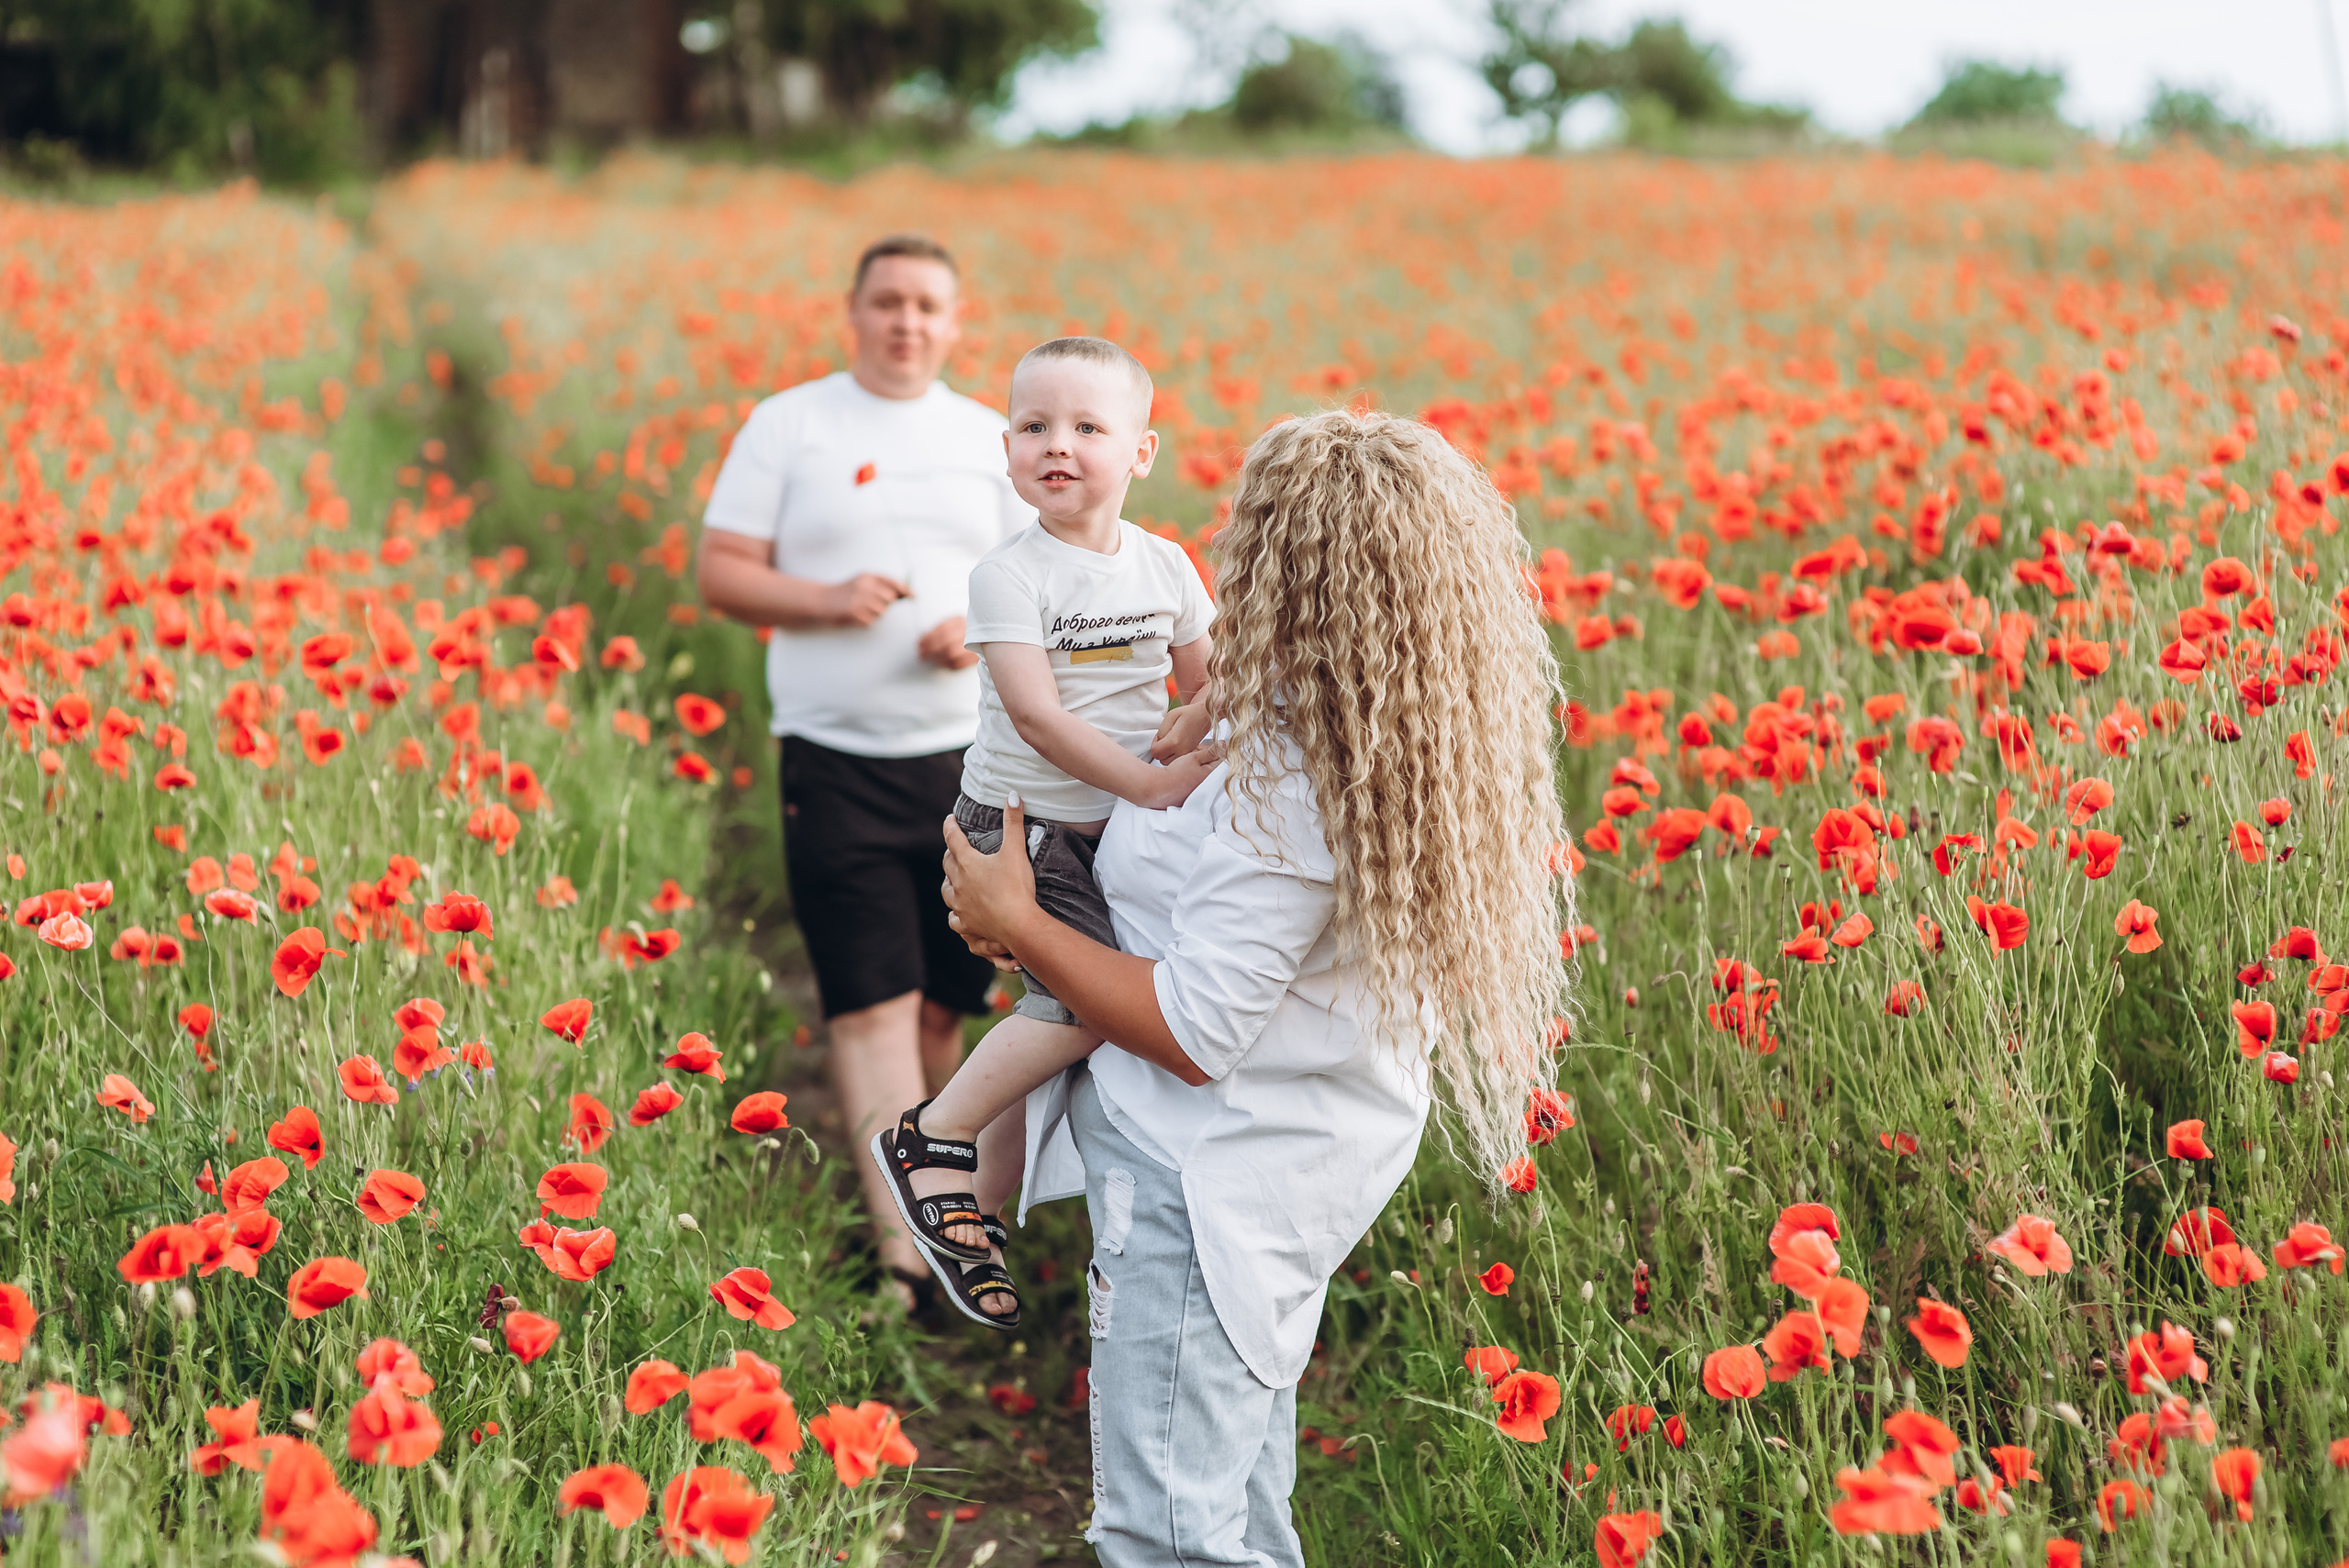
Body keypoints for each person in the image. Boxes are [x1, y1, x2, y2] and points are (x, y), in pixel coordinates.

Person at [941, 408, 1574, 1566]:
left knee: (1169, 1531)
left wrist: (1016, 916)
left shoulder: (1294, 774)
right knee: (1235, 1497)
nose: (1230, 551)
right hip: (1282, 1154)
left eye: (1255, 535)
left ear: (1296, 567)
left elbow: (1194, 1027)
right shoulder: (1360, 721)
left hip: (1206, 1173)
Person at [695, 233, 1030, 1300]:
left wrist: (973, 631)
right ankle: (909, 1254)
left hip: (970, 763)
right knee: (870, 1004)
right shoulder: (790, 424)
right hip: (833, 759)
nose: (907, 321)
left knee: (940, 1009)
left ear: (956, 320)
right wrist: (827, 599)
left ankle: (957, 1221)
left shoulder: (989, 438)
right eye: (888, 301)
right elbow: (722, 572)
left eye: (929, 304)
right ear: (854, 311)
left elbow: (1038, 590)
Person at [864, 336, 1219, 1330]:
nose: (1055, 445)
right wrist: (1155, 784)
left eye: (1086, 427)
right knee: (1087, 1006)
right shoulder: (1009, 575)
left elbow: (1211, 678)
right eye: (1032, 426)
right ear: (1006, 447)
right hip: (1023, 825)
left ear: (1142, 451)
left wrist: (1198, 718)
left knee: (1069, 1013)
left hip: (1117, 822)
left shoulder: (1166, 563)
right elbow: (1038, 718)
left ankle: (970, 1209)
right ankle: (935, 1135)